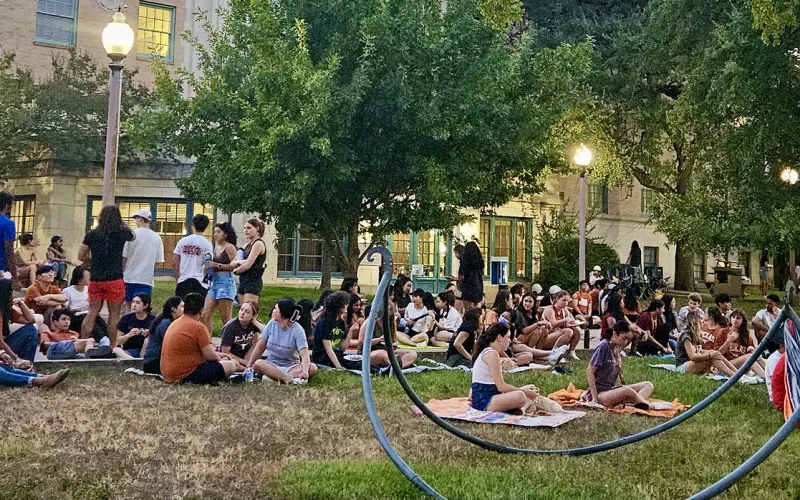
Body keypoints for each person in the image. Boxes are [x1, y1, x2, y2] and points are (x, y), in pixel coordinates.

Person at [79, 205, 135, 346]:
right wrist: (123, 223)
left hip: (96, 277)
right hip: (115, 278)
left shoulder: (92, 234)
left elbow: (81, 255)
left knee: (92, 312)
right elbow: (133, 236)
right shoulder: (121, 233)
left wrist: (91, 262)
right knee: (114, 314)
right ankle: (112, 345)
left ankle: (82, 342)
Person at [160, 292, 238, 384]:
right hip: (186, 375)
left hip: (168, 374)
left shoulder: (175, 323)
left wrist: (218, 355)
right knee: (231, 365)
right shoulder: (198, 327)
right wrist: (221, 359)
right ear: (201, 311)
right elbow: (210, 355)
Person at [469, 322, 541, 413]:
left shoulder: (491, 353)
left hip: (491, 396)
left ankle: (520, 408)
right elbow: (501, 386)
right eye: (508, 337)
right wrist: (524, 391)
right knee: (521, 396)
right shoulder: (491, 354)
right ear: (499, 338)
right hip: (484, 401)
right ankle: (522, 409)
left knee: (530, 388)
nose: (510, 341)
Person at [246, 298, 317, 383]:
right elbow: (260, 347)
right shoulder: (271, 324)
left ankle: (276, 378)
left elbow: (304, 355)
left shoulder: (298, 330)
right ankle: (288, 379)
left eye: (276, 309)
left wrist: (305, 371)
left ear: (282, 313)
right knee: (258, 364)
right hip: (272, 365)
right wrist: (249, 366)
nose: (273, 311)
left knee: (312, 367)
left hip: (291, 366)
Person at [584, 321, 654, 409]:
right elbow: (589, 371)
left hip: (610, 389)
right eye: (624, 338)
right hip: (599, 393)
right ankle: (645, 404)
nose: (625, 342)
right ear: (614, 334)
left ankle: (632, 405)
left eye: (628, 339)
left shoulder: (616, 347)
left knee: (648, 385)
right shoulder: (603, 346)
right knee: (626, 390)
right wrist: (595, 399)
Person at [122, 208, 164, 310]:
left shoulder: (131, 236)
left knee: (129, 307)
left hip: (128, 278)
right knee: (142, 309)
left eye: (136, 218)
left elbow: (124, 257)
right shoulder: (156, 238)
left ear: (141, 219)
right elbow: (159, 262)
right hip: (145, 279)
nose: (135, 221)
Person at [674, 311, 738, 377]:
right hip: (682, 366)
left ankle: (737, 373)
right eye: (701, 319)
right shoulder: (686, 335)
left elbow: (699, 351)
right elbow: (692, 356)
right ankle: (735, 376)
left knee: (715, 353)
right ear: (695, 320)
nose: (703, 322)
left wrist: (712, 353)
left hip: (692, 364)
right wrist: (710, 355)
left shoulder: (697, 334)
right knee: (712, 356)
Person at [201, 222, 238, 332]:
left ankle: (228, 342)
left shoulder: (229, 247)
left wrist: (216, 265)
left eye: (218, 232)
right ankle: (207, 341)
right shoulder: (215, 247)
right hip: (214, 282)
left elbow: (234, 266)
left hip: (226, 282)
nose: (215, 234)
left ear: (225, 234)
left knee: (225, 317)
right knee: (205, 314)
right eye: (214, 232)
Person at [311, 291, 359, 370]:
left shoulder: (341, 322)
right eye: (345, 305)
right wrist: (339, 367)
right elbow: (328, 349)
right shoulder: (324, 323)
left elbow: (342, 348)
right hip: (324, 358)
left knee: (358, 363)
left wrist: (351, 332)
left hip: (337, 356)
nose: (347, 306)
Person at [172, 214, 213, 298]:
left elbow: (175, 260)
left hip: (183, 280)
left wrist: (177, 277)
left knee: (181, 307)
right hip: (199, 281)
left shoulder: (183, 241)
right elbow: (207, 264)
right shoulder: (207, 244)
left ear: (193, 225)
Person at [63, 266, 108, 342]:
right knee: (89, 318)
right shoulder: (67, 291)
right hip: (75, 315)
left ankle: (107, 337)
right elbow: (66, 307)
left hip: (88, 312)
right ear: (80, 278)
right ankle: (102, 339)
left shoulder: (88, 290)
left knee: (97, 318)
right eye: (87, 276)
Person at [716, 309, 766, 378]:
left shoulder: (745, 335)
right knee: (748, 357)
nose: (735, 320)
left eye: (738, 318)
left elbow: (754, 354)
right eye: (733, 317)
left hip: (742, 367)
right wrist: (728, 341)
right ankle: (767, 378)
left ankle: (771, 375)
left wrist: (751, 349)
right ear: (730, 319)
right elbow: (717, 354)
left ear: (743, 321)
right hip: (727, 365)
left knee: (757, 356)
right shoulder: (723, 332)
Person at [142, 296, 183, 375]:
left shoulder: (169, 321)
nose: (185, 310)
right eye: (182, 307)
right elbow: (171, 344)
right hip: (154, 362)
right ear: (173, 309)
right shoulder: (166, 323)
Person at [0, 279, 38, 363]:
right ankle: (22, 364)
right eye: (12, 290)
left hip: (6, 344)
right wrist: (17, 359)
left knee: (31, 330)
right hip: (1, 348)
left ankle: (28, 363)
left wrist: (21, 303)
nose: (14, 293)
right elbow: (0, 342)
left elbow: (30, 320)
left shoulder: (8, 310)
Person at [232, 218, 266, 304]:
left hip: (253, 281)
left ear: (257, 229)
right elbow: (234, 261)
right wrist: (239, 262)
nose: (246, 230)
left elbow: (248, 265)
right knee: (242, 309)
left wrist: (236, 271)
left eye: (249, 228)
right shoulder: (247, 245)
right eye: (244, 228)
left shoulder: (258, 243)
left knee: (249, 310)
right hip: (243, 280)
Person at [220, 301, 264, 367]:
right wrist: (245, 362)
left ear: (253, 315)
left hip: (247, 355)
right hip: (233, 357)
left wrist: (254, 321)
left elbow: (269, 333)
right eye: (241, 309)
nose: (242, 313)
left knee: (264, 339)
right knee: (229, 362)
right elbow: (225, 352)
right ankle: (246, 367)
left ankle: (249, 365)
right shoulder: (231, 326)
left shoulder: (254, 323)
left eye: (247, 312)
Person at [541, 290, 581, 360]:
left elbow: (567, 323)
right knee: (568, 331)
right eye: (563, 300)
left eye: (567, 301)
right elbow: (554, 324)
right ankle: (554, 353)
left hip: (557, 334)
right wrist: (566, 320)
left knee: (577, 330)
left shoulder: (565, 310)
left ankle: (571, 351)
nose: (565, 303)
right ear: (557, 299)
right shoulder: (549, 309)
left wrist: (573, 323)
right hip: (545, 337)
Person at [116, 293, 155, 357]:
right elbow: (118, 340)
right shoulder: (126, 318)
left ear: (145, 305)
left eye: (138, 303)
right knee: (116, 350)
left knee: (147, 341)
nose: (134, 305)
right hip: (129, 350)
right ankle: (132, 360)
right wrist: (129, 335)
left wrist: (149, 333)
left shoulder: (153, 320)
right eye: (133, 302)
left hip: (146, 350)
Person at [0, 192, 20, 290]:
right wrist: (15, 278)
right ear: (7, 206)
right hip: (2, 269)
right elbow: (9, 252)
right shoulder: (8, 223)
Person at [459, 242, 484, 311]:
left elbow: (462, 276)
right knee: (477, 311)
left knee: (468, 310)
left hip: (468, 287)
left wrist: (460, 286)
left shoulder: (464, 261)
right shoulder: (480, 262)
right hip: (478, 287)